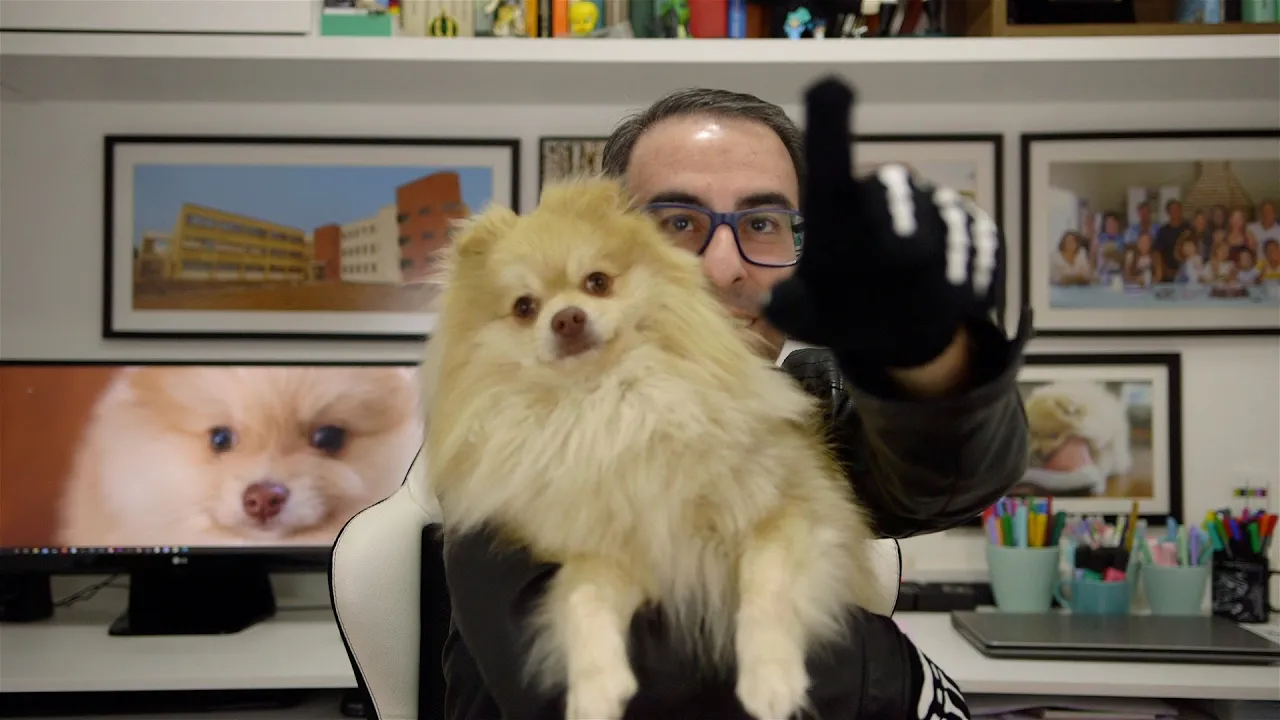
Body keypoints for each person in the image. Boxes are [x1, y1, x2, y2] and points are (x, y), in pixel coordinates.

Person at [439, 80, 1030, 720]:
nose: (724, 268)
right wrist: (897, 678)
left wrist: (927, 353)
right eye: (677, 224)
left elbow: (946, 477)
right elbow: (631, 681)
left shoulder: (797, 403)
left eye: (763, 224)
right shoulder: (506, 447)